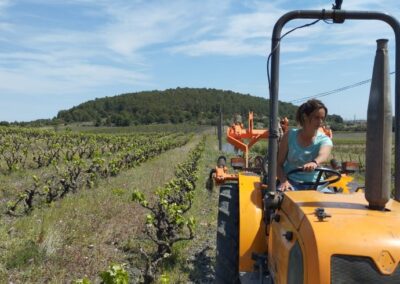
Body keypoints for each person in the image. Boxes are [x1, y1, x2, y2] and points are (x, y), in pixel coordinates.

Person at [277, 99, 333, 191]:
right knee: (277, 199)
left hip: (316, 185)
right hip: (291, 183)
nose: (320, 122)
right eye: (316, 117)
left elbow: (324, 154)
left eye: (322, 118)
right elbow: (278, 165)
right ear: (305, 117)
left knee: (330, 201)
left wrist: (315, 162)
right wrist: (284, 181)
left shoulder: (324, 140)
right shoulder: (289, 136)